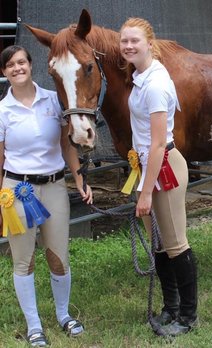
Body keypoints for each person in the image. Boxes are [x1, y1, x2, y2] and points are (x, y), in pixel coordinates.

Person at [0, 45, 93, 347]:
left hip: (54, 186)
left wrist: (79, 179)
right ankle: (34, 325)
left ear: (30, 65)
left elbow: (68, 146)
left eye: (22, 62)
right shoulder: (2, 112)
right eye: (10, 65)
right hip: (17, 191)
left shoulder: (53, 101)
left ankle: (64, 315)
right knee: (23, 260)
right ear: (4, 72)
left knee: (58, 257)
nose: (17, 68)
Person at [119, 18, 198, 337]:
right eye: (124, 41)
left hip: (162, 166)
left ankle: (188, 316)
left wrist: (146, 192)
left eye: (134, 41)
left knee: (176, 243)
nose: (128, 46)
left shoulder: (154, 83)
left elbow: (155, 143)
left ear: (150, 44)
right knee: (160, 245)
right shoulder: (141, 76)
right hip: (153, 166)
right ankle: (171, 307)